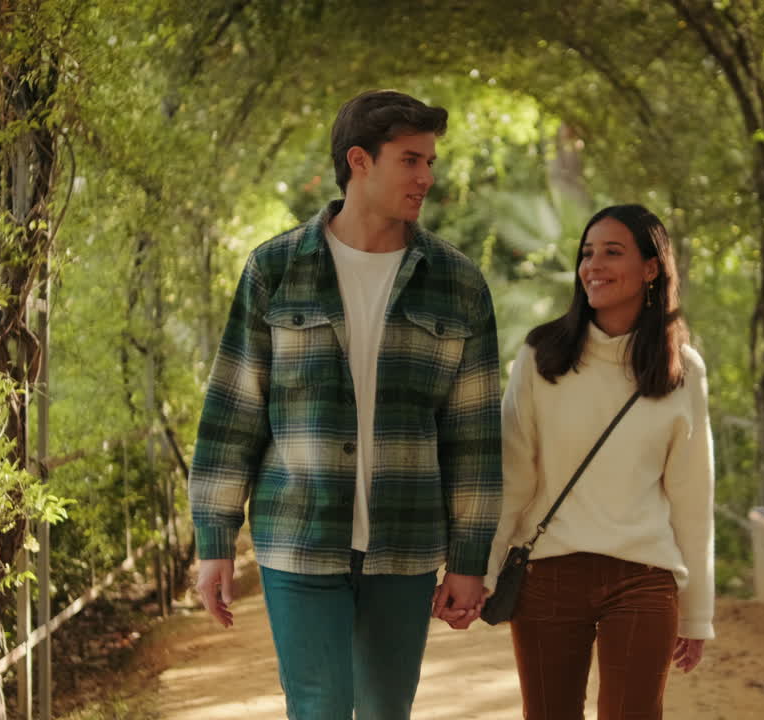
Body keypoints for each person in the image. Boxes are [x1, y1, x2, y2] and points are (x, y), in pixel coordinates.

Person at [188, 89, 502, 720]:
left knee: (386, 709)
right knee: (320, 706)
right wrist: (213, 538)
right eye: (412, 160)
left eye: (431, 161)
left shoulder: (458, 282)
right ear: (360, 160)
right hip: (297, 533)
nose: (427, 178)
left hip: (406, 542)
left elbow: (474, 438)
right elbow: (233, 411)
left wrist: (470, 559)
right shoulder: (275, 269)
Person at [479, 204, 716, 719]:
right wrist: (485, 569)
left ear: (651, 268)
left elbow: (693, 499)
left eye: (612, 252)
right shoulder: (541, 357)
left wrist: (697, 616)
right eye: (587, 253)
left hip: (644, 578)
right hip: (548, 577)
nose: (594, 265)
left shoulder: (682, 370)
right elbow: (513, 477)